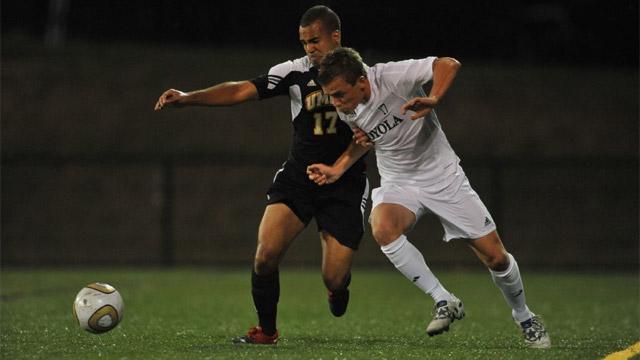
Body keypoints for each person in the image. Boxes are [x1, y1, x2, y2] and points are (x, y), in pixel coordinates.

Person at [306, 47, 551, 348]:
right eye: (330, 96)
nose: (335, 103)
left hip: (442, 176)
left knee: (496, 257)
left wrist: (434, 97)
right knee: (383, 227)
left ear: (361, 80)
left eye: (339, 94)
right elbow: (366, 141)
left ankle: (524, 317)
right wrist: (337, 169)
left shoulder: (391, 77)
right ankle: (443, 298)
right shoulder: (348, 108)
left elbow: (448, 64)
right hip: (399, 181)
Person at [154, 7, 369, 345]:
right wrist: (189, 98)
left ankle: (337, 288)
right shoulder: (294, 72)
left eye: (315, 40)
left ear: (335, 37)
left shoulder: (362, 76)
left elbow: (374, 132)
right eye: (304, 42)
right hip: (300, 178)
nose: (309, 48)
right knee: (266, 255)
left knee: (334, 277)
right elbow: (241, 89)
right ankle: (266, 331)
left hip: (345, 184)